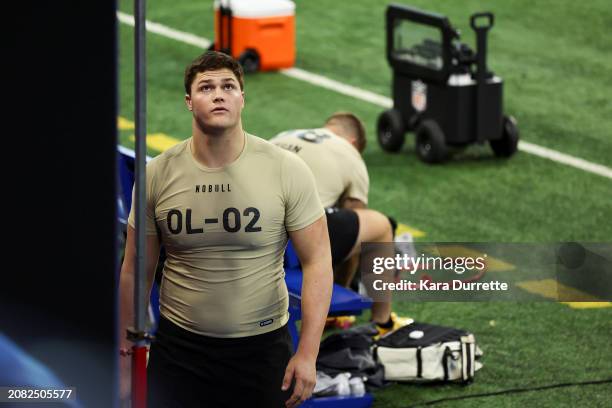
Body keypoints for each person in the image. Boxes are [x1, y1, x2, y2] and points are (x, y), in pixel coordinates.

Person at [119, 51, 333, 408]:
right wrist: (125, 355)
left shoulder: (286, 169)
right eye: (206, 87)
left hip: (262, 351)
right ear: (189, 101)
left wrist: (308, 353)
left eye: (228, 86)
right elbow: (135, 270)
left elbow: (318, 261)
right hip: (180, 351)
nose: (219, 94)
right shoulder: (157, 173)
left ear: (242, 98)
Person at [271, 112, 411, 336]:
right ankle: (382, 324)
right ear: (353, 142)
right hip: (293, 237)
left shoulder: (285, 135)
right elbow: (354, 223)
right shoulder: (351, 154)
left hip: (251, 224)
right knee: (379, 226)